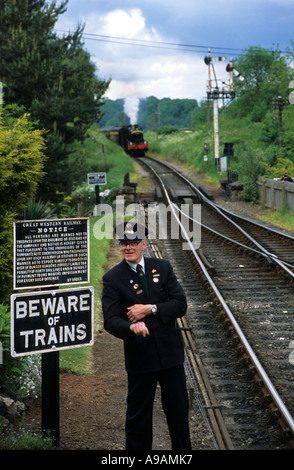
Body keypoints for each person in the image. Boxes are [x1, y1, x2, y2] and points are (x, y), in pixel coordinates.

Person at [102, 221, 192, 451]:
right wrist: (130, 328)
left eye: (133, 243)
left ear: (144, 244)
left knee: (178, 412)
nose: (127, 248)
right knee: (138, 416)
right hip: (141, 357)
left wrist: (150, 308)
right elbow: (111, 321)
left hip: (171, 356)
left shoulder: (162, 267)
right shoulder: (113, 278)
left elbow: (180, 304)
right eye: (124, 243)